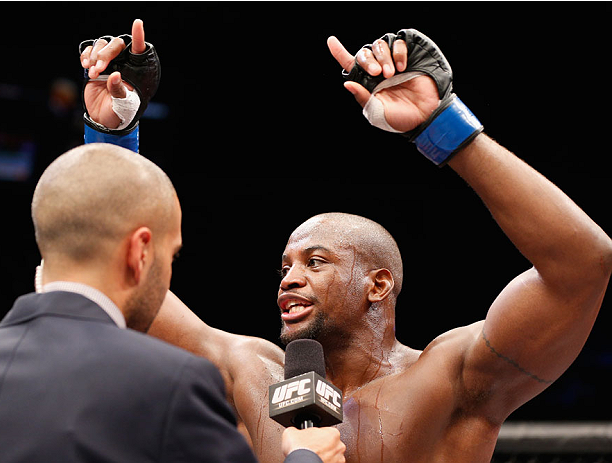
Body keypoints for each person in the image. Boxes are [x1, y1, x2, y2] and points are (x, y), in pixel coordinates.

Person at [77, 20, 612, 463]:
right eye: (284, 265)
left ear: (379, 283)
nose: (289, 278)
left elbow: (584, 264)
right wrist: (112, 134)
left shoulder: (451, 379)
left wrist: (443, 128)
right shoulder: (250, 370)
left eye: (316, 261)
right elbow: (110, 279)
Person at [0, 142, 346, 463]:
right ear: (140, 251)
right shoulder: (173, 384)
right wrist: (306, 458)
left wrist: (112, 135)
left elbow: (104, 198)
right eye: (170, 255)